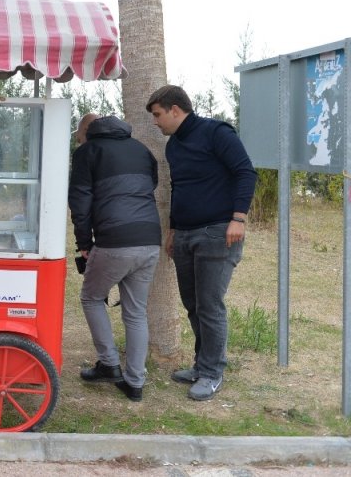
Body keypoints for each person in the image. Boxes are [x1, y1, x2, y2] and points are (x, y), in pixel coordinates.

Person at [146, 85, 257, 401]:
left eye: (157, 115)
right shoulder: (174, 146)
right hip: (185, 235)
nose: (156, 122)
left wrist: (238, 218)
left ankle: (212, 373)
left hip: (219, 232)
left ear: (175, 110)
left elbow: (245, 172)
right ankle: (201, 365)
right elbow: (179, 188)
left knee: (210, 305)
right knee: (193, 304)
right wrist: (173, 230)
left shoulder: (216, 133)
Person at [68, 113, 161, 402]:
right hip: (149, 239)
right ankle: (135, 382)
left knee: (91, 298)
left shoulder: (87, 152)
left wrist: (84, 243)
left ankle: (108, 364)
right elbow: (151, 186)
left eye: (77, 133)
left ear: (87, 130)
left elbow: (80, 200)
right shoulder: (141, 149)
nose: (77, 137)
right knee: (135, 311)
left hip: (115, 240)